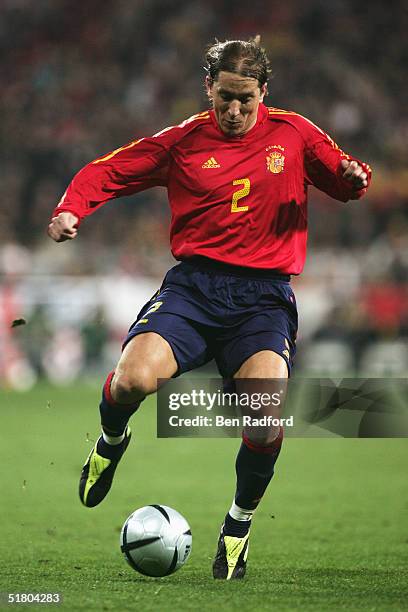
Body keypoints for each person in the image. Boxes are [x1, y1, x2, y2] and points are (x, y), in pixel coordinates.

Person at [47, 37, 371, 580]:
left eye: (246, 98)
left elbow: (343, 178)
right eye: (225, 97)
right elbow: (107, 170)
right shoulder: (182, 141)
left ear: (263, 92)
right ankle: (109, 443)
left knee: (265, 419)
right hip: (194, 290)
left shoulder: (293, 133)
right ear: (209, 89)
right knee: (131, 381)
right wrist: (70, 209)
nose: (235, 110)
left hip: (263, 299)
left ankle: (237, 528)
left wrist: (353, 179)